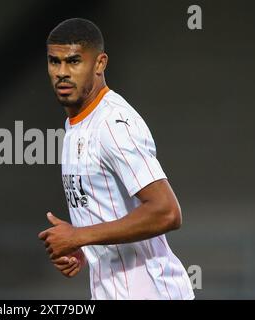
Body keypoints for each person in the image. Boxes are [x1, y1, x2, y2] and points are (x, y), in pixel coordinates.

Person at [38, 18, 194, 300]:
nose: (62, 72)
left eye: (74, 62)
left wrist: (80, 236)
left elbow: (167, 211)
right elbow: (110, 214)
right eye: (54, 62)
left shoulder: (114, 124)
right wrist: (84, 250)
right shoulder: (75, 126)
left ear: (99, 64)